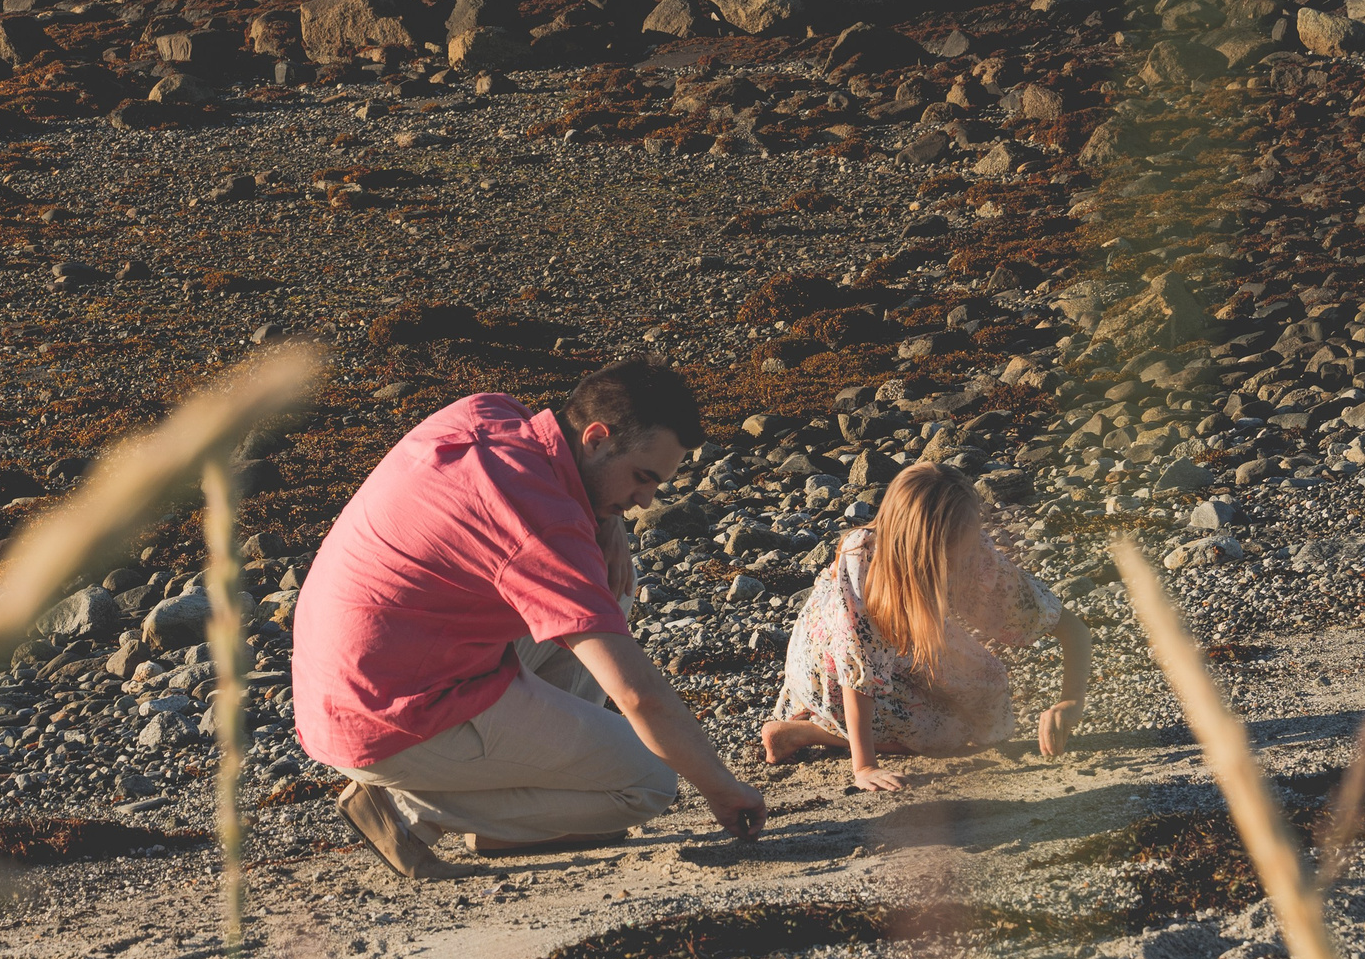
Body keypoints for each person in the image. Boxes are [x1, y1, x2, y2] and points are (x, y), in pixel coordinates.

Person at [292, 360, 767, 880]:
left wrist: (603, 522)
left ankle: (534, 799)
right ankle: (409, 811)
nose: (645, 501)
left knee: (609, 591)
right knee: (648, 785)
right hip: (387, 717)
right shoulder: (540, 524)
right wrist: (724, 790)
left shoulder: (488, 412)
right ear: (597, 438)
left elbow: (556, 503)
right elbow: (639, 696)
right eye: (642, 477)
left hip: (345, 678)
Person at [760, 461, 1090, 791]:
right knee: (946, 735)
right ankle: (808, 733)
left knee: (990, 703)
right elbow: (857, 663)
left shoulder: (974, 553)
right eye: (945, 558)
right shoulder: (863, 558)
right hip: (830, 661)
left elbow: (1068, 627)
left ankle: (821, 731)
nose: (956, 565)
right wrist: (865, 767)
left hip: (905, 644)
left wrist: (1070, 702)